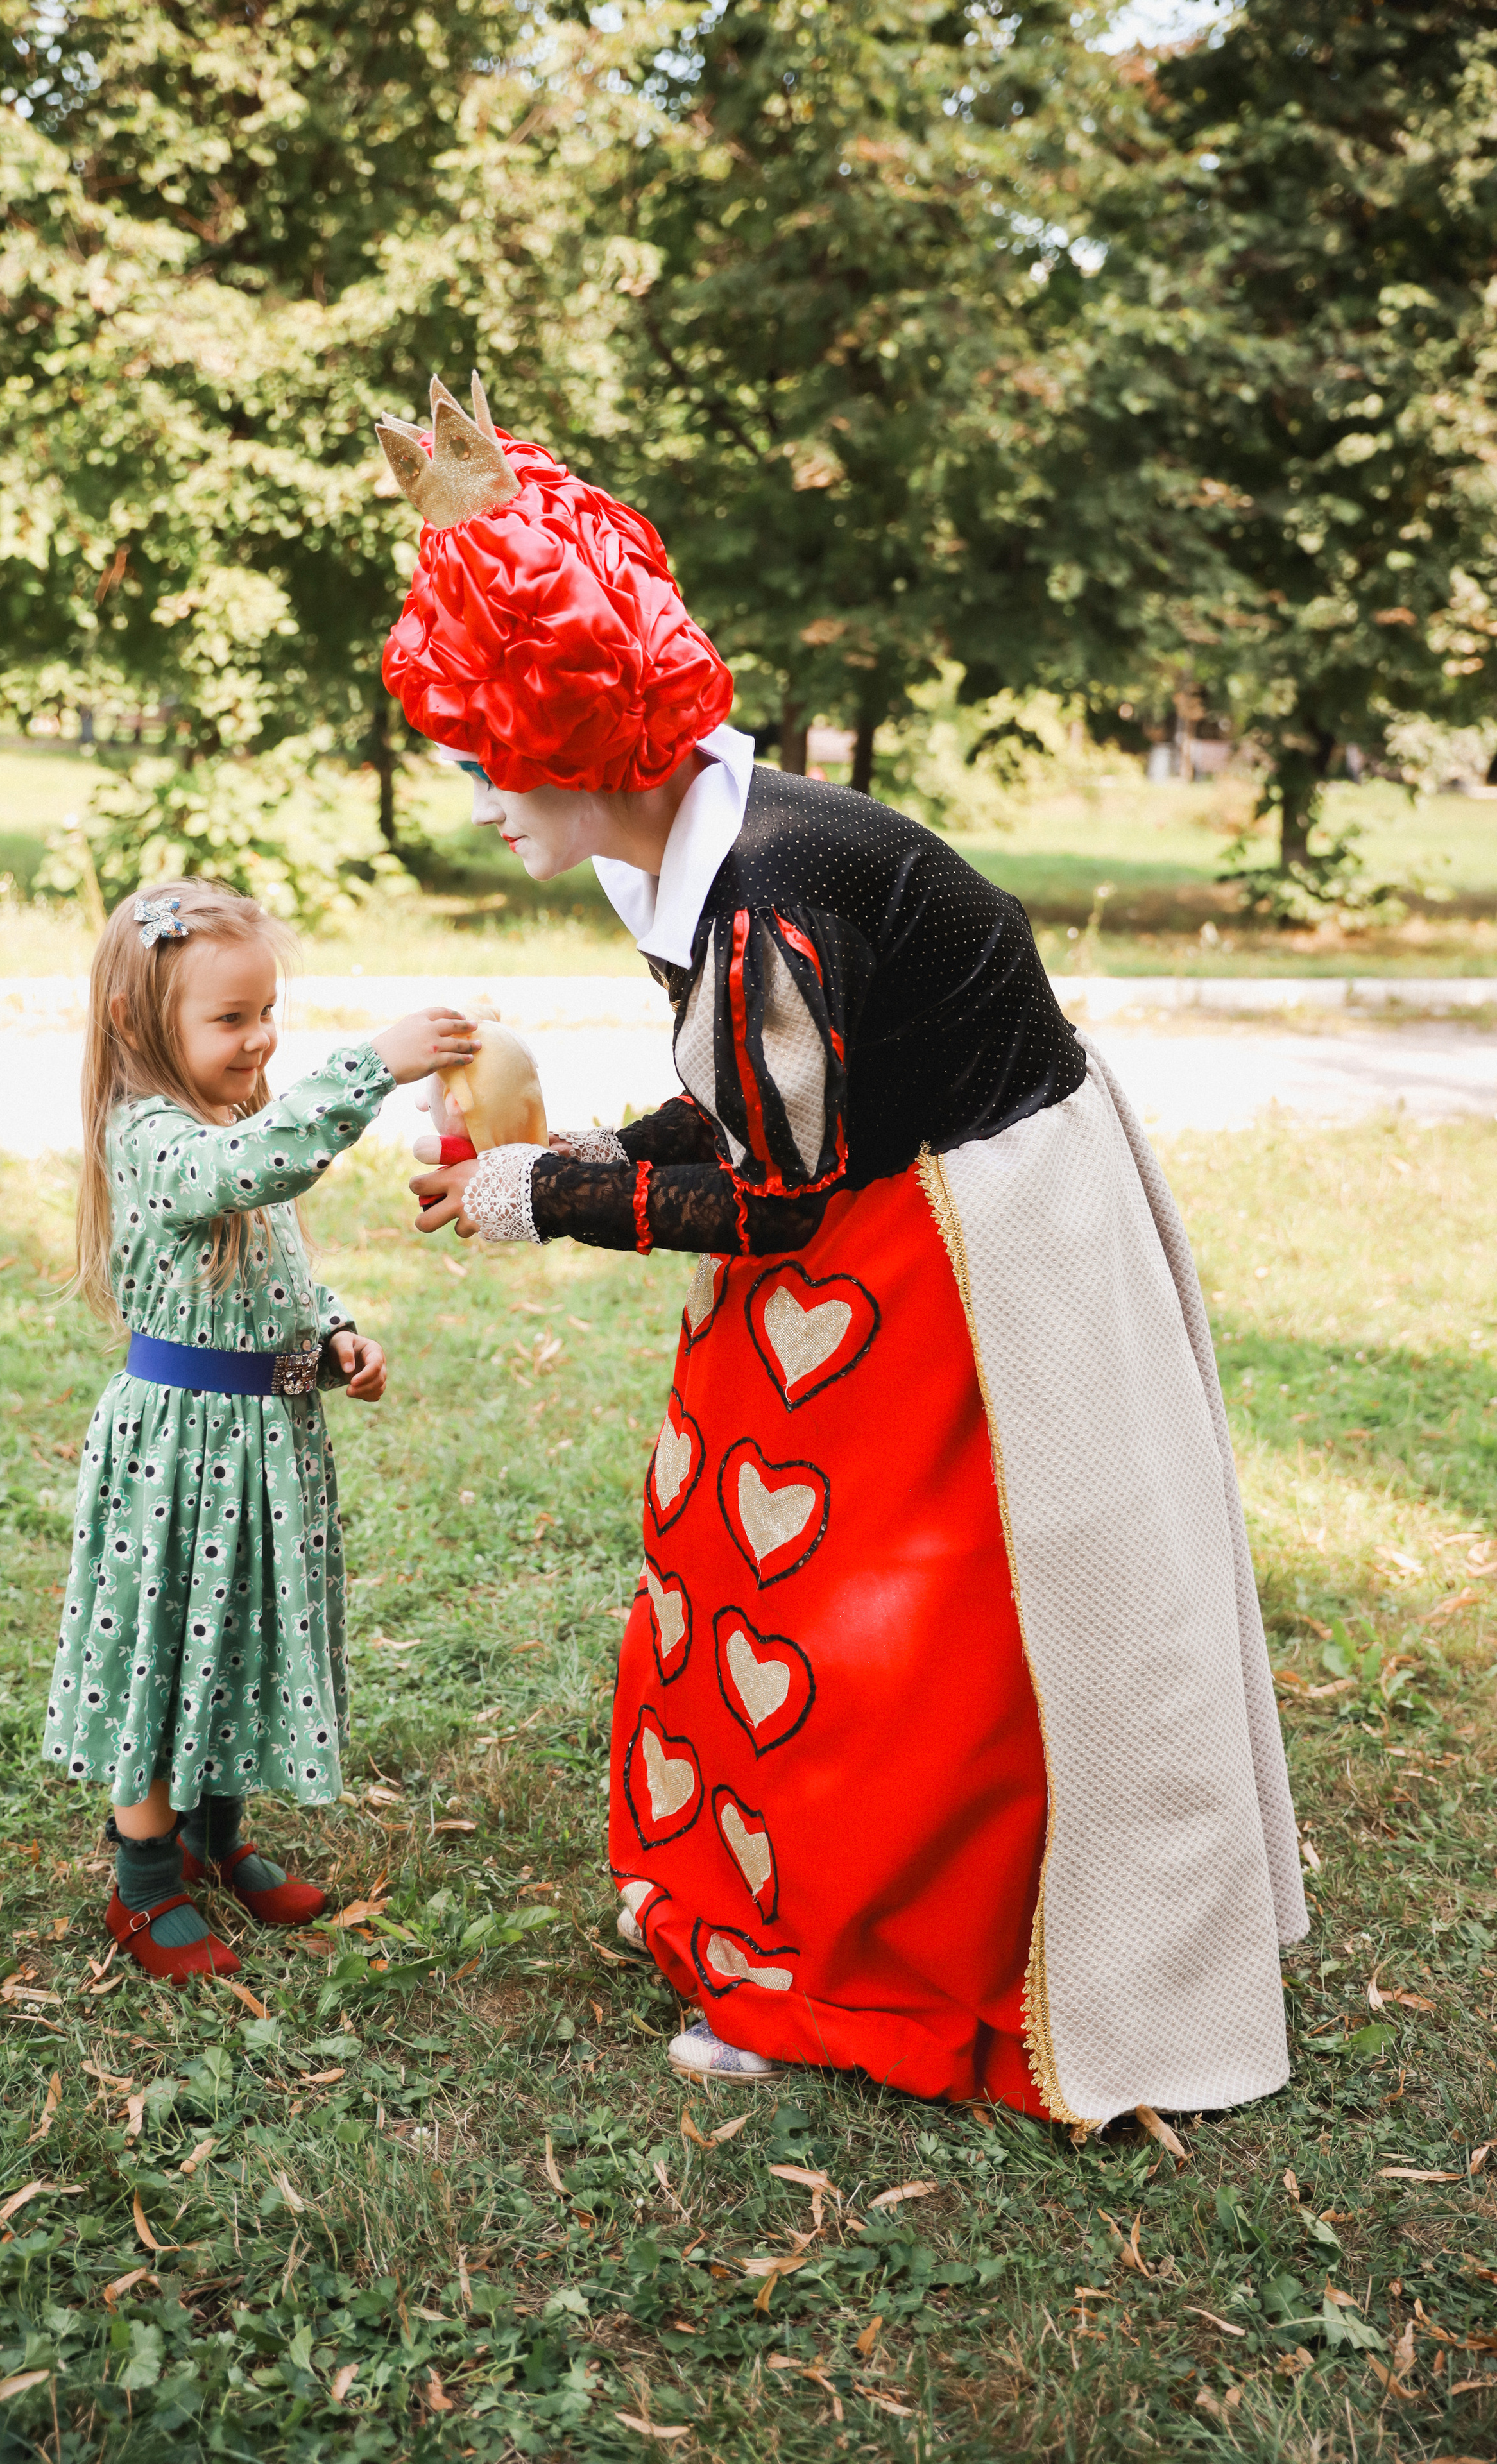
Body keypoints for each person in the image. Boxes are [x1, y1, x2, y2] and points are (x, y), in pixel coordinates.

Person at [384, 377, 1306, 2125]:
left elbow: (782, 1191)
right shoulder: (709, 853)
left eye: (484, 752)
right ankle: (789, 1924)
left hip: (968, 1260)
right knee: (775, 1587)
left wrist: (543, 1195)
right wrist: (589, 1152)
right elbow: (752, 1117)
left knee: (908, 1637)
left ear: (578, 738)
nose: (472, 792)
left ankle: (878, 1980)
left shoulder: (769, 894)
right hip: (893, 1219)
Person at [44, 878, 481, 1980]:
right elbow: (258, 1167)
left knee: (237, 1634)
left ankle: (214, 1839)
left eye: (266, 1011)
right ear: (137, 1022)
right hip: (179, 1452)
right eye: (230, 1019)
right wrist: (372, 1065)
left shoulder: (235, 1120)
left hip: (264, 1440)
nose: (259, 1038)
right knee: (160, 1646)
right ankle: (143, 1882)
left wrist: (333, 1336)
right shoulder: (151, 1137)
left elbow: (280, 1266)